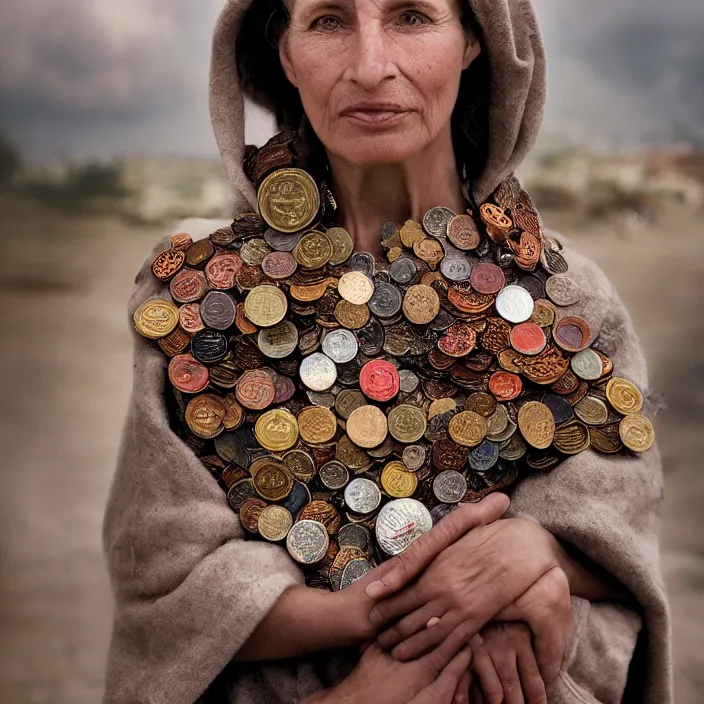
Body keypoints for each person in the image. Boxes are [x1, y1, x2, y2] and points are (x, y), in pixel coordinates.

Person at [102, 1, 672, 703]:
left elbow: (618, 556)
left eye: (410, 15)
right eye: (329, 21)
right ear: (284, 53)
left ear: (474, 40)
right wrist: (376, 635)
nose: (371, 67)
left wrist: (537, 554)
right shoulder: (194, 299)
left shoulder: (570, 303)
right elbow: (162, 581)